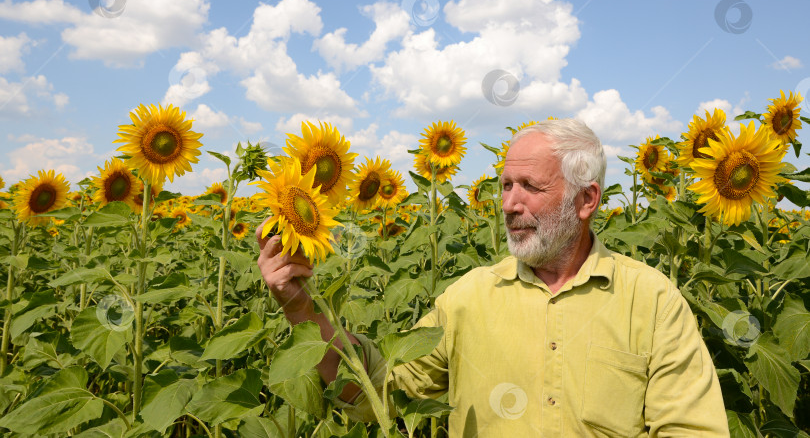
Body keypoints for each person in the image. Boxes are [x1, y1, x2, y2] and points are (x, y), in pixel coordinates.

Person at [256, 119, 730, 437]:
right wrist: (302, 309)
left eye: (530, 187)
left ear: (587, 201)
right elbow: (378, 391)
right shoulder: (467, 299)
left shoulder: (649, 301)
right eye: (505, 185)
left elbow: (691, 429)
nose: (508, 204)